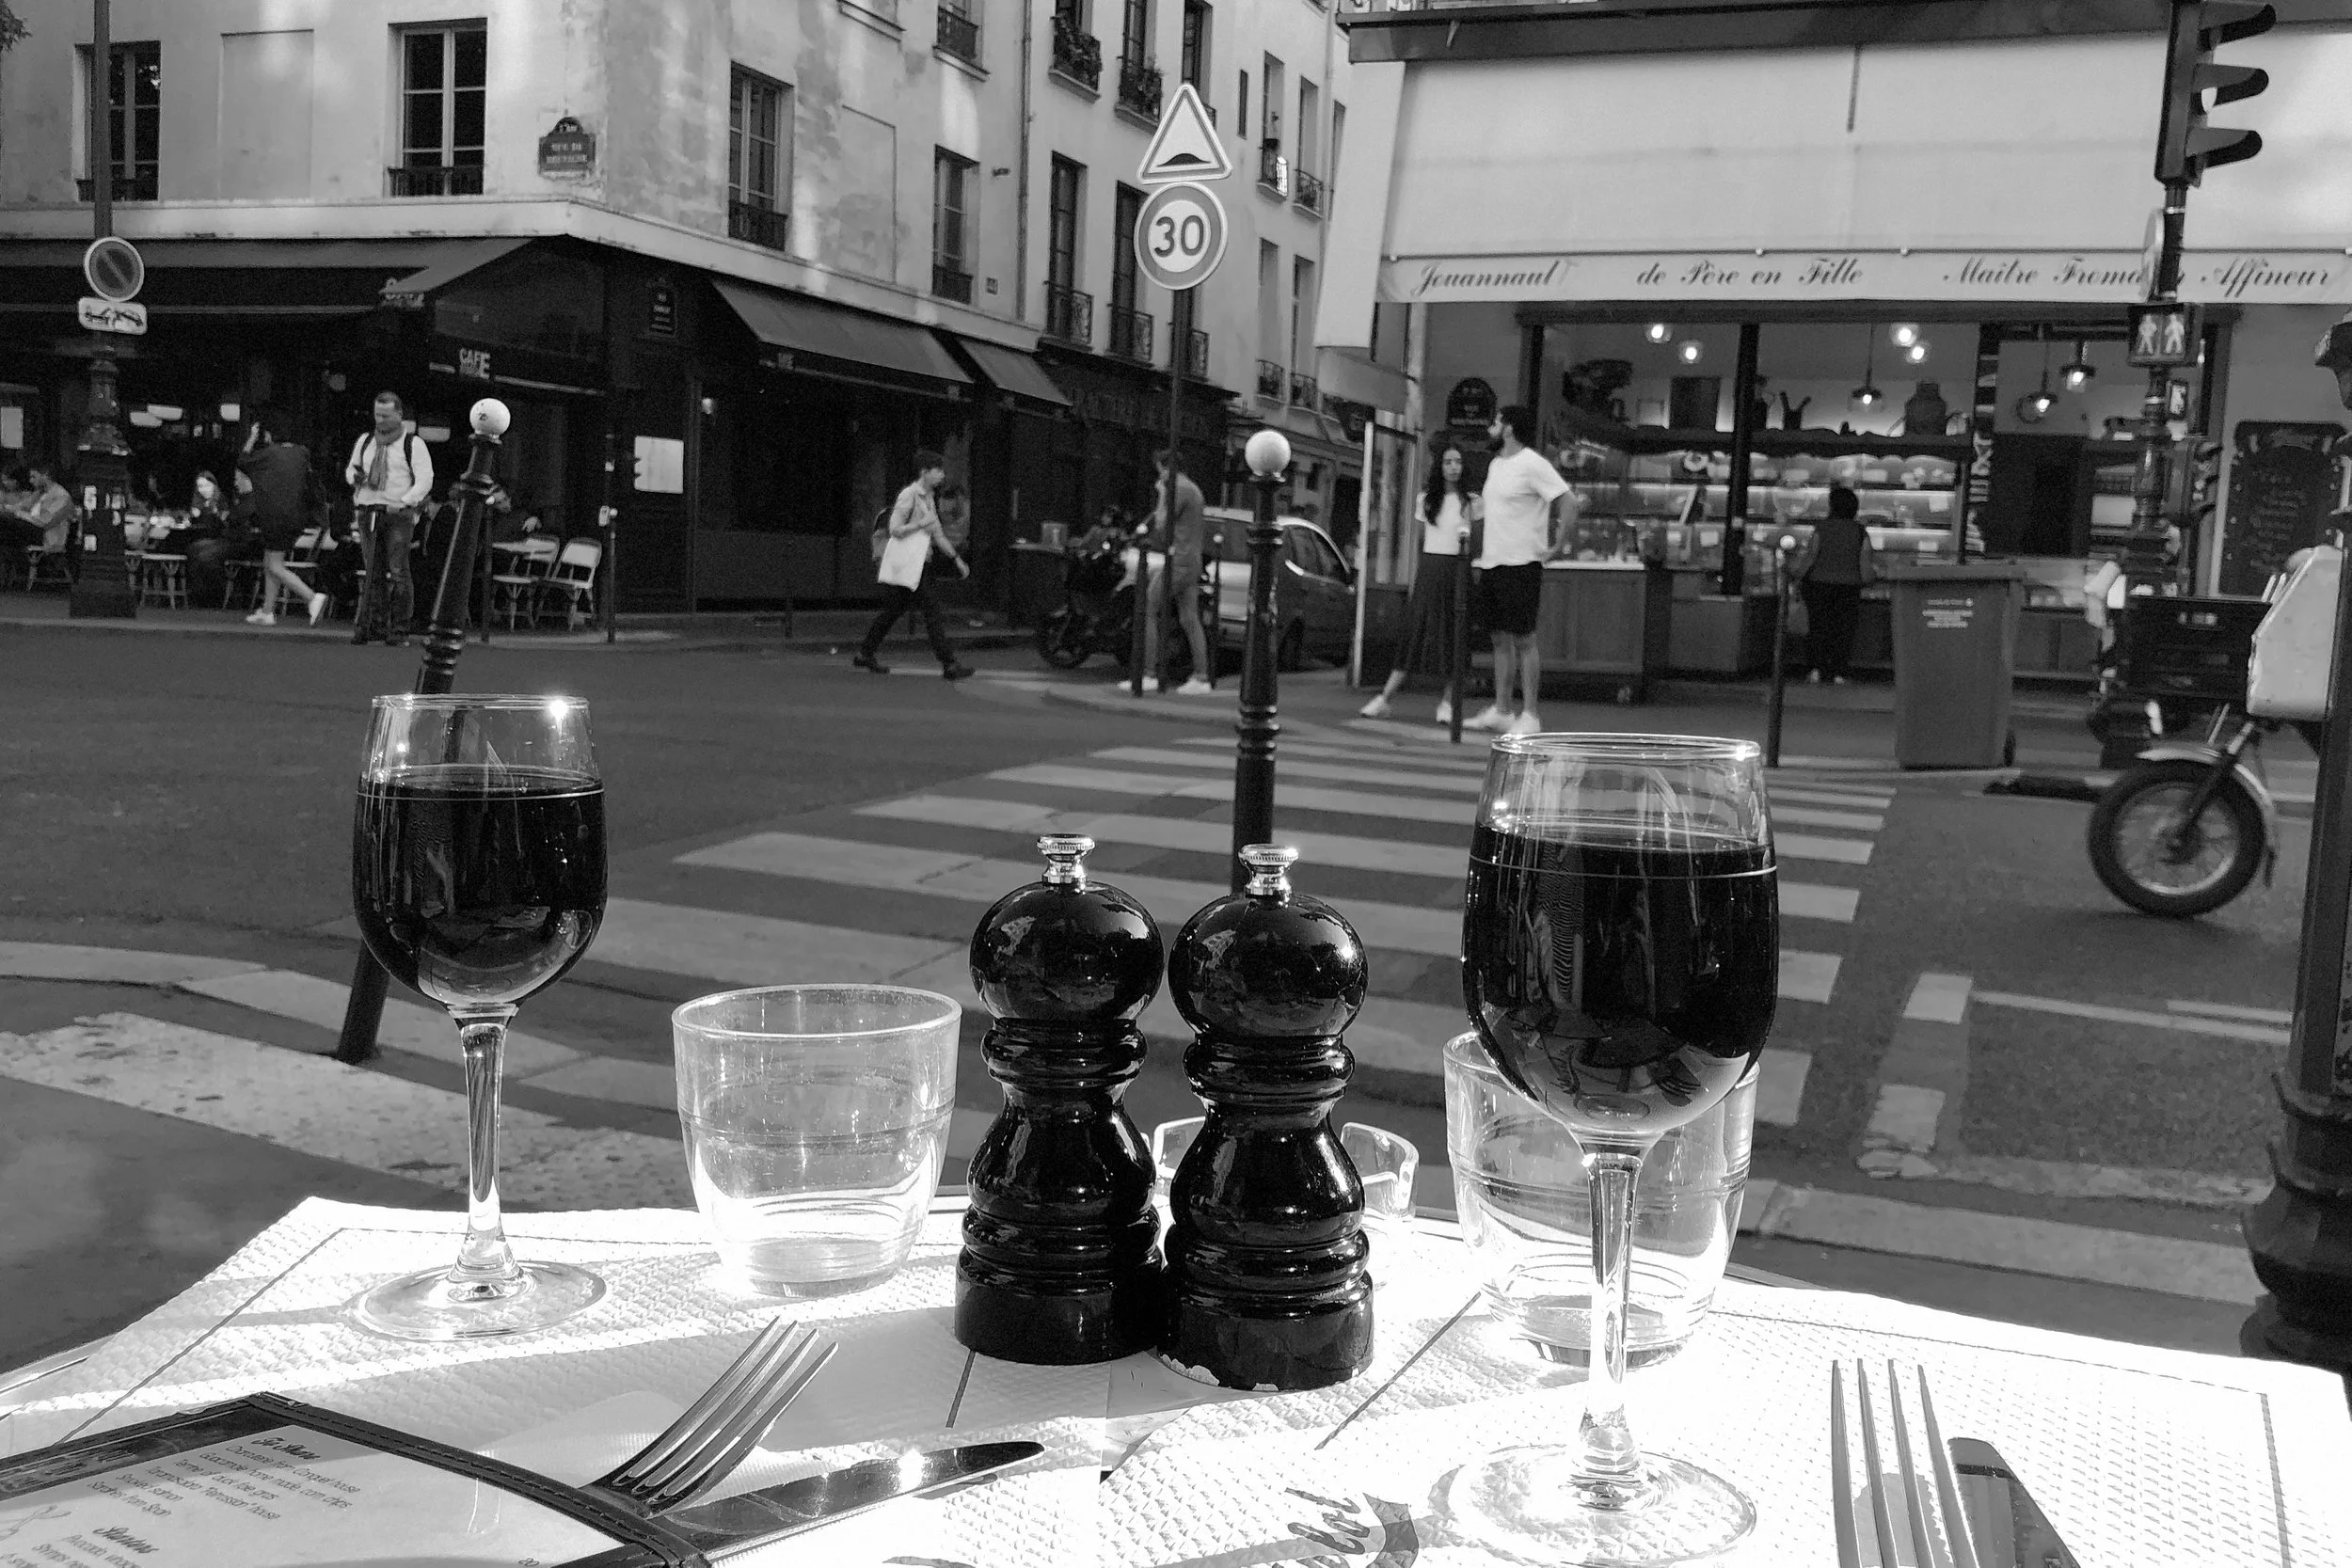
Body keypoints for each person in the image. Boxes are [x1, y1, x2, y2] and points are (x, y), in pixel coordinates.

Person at [1464, 405, 1574, 736]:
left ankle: (1530, 714)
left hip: (1522, 562)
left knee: (1525, 639)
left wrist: (1557, 545)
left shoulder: (1532, 463)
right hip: (1493, 561)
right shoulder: (1496, 464)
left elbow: (1568, 500)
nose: (1492, 427)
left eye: (1497, 422)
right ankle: (1502, 709)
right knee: (1499, 637)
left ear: (1509, 428)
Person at [1360, 439, 1477, 725]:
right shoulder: (1426, 500)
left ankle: (1447, 702)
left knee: (1455, 634)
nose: (1454, 468)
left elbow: (1475, 538)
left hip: (1458, 568)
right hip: (1430, 568)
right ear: (1440, 466)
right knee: (1414, 631)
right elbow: (1422, 539)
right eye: (1448, 462)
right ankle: (1385, 697)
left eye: (1458, 462)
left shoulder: (1472, 501)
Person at [853, 450, 975, 679]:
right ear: (924, 472)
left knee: (894, 610)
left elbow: (937, 533)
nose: (942, 474)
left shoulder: (928, 498)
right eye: (937, 470)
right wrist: (920, 524)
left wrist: (957, 559)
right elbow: (894, 529)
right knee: (932, 612)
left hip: (918, 563)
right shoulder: (909, 495)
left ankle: (865, 653)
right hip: (913, 564)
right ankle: (949, 664)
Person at [343, 390, 435, 645]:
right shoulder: (366, 441)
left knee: (398, 571)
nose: (380, 420)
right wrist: (354, 477)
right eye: (377, 415)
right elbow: (351, 469)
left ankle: (400, 629)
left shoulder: (413, 444)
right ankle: (376, 626)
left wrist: (405, 502)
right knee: (372, 571)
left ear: (399, 415)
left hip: (397, 514)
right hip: (368, 510)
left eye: (385, 415)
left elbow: (425, 479)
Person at [238, 411, 330, 626]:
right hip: (297, 516)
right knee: (270, 560)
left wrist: (251, 438)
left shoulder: (268, 454)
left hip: (274, 516)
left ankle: (312, 598)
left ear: (269, 435)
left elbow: (242, 461)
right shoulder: (302, 453)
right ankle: (268, 611)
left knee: (274, 565)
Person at [1143, 449, 1214, 695]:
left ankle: (1149, 674)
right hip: (1191, 560)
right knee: (1189, 618)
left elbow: (1162, 524)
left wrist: (1162, 494)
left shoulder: (1178, 489)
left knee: (1148, 609)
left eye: (1160, 471)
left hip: (1179, 561)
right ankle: (1201, 676)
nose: (1159, 477)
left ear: (1166, 468)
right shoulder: (1193, 489)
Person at [1795, 484, 1868, 685]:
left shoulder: (1822, 528)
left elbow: (1811, 556)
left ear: (1832, 506)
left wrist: (1797, 575)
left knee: (1818, 627)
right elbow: (1865, 560)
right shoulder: (1859, 531)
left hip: (1818, 585)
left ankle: (1816, 669)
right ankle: (1839, 672)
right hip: (1849, 586)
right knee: (1843, 630)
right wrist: (1870, 579)